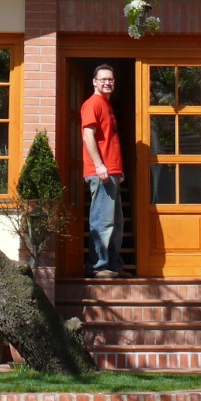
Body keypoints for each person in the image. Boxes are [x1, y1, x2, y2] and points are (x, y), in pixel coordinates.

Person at [81, 63, 125, 278]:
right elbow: (88, 136)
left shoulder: (107, 105)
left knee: (116, 223)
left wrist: (118, 169)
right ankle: (98, 266)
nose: (107, 82)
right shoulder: (93, 104)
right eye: (103, 79)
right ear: (94, 82)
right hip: (101, 173)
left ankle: (113, 266)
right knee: (102, 220)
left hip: (111, 172)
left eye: (110, 79)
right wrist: (99, 165)